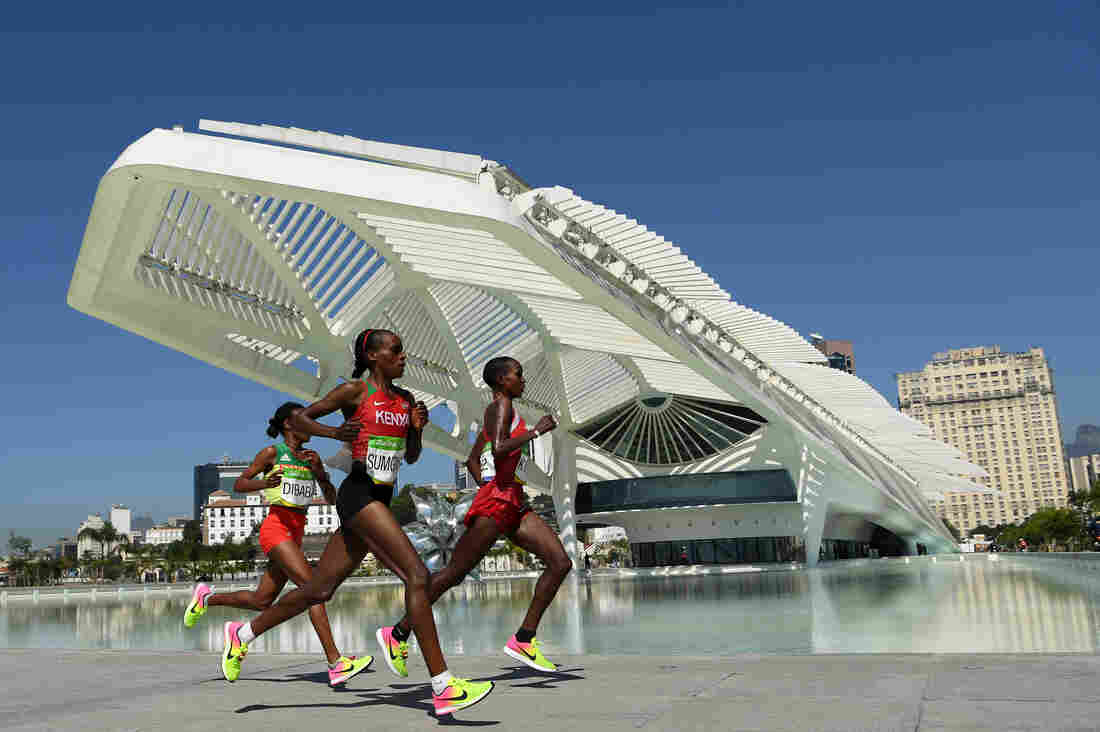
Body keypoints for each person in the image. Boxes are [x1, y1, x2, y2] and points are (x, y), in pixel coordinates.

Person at [218, 329, 493, 716]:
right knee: (417, 575)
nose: (404, 356)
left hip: (378, 499)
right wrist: (333, 432)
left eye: (402, 350)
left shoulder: (406, 400)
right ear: (374, 356)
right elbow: (301, 417)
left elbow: (410, 457)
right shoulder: (354, 392)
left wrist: (415, 429)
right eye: (396, 350)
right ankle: (442, 686)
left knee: (318, 590)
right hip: (358, 495)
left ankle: (242, 634)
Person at [375, 356, 571, 676]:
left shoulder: (498, 411)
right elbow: (499, 449)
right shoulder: (500, 407)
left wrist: (488, 483)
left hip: (512, 500)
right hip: (498, 504)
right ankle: (397, 633)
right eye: (518, 375)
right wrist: (537, 432)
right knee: (454, 573)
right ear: (501, 381)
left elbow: (472, 460)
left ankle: (524, 639)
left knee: (561, 562)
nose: (523, 381)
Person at [182, 402, 372, 687]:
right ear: (288, 424)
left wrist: (320, 474)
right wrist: (266, 482)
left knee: (262, 600)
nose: (309, 425)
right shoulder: (273, 453)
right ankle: (335, 662)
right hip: (276, 529)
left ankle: (207, 598)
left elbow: (331, 499)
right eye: (303, 420)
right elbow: (240, 485)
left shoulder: (311, 456)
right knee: (313, 590)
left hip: (296, 531)